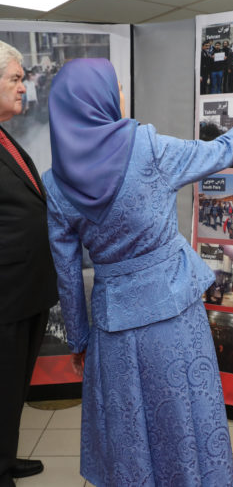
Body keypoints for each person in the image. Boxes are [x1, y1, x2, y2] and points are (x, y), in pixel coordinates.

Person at [43, 59, 233, 487]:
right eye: (118, 86)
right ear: (107, 98)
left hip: (112, 329)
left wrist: (79, 340)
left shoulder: (54, 185)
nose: (124, 95)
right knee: (184, 420)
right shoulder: (147, 147)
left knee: (131, 434)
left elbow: (68, 276)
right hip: (173, 315)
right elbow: (218, 151)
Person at [0, 41, 58, 487]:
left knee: (14, 388)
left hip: (26, 291)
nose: (25, 89)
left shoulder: (6, 136)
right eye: (15, 80)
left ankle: (5, 457)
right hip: (5, 295)